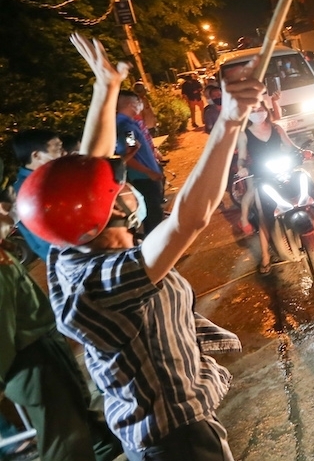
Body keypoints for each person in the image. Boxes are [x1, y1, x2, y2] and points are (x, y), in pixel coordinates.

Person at [17, 32, 263, 460]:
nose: (125, 190)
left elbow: (86, 175)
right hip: (179, 442)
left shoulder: (68, 247)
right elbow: (191, 217)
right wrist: (228, 123)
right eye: (118, 191)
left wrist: (105, 89)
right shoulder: (106, 280)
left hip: (170, 432)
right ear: (105, 214)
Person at [0, 231, 123, 461]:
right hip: (32, 361)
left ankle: (107, 447)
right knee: (66, 440)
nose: (5, 209)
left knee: (78, 419)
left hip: (41, 351)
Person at [236, 100, 314, 274]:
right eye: (253, 110)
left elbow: (292, 146)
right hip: (261, 174)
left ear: (266, 110)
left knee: (308, 196)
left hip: (284, 170)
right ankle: (265, 257)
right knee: (264, 217)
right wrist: (241, 168)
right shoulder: (244, 134)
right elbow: (241, 156)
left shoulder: (277, 128)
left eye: (260, 109)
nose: (257, 112)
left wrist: (304, 153)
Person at [116, 90, 165, 236]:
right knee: (153, 214)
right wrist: (149, 172)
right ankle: (155, 249)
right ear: (132, 104)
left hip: (145, 176)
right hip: (144, 178)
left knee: (153, 212)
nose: (141, 105)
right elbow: (128, 155)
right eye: (139, 102)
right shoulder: (127, 128)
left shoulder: (128, 123)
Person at [11, 129, 65, 260]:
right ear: (36, 156)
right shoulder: (26, 192)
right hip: (65, 258)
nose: (64, 153)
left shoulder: (50, 177)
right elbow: (48, 238)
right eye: (57, 149)